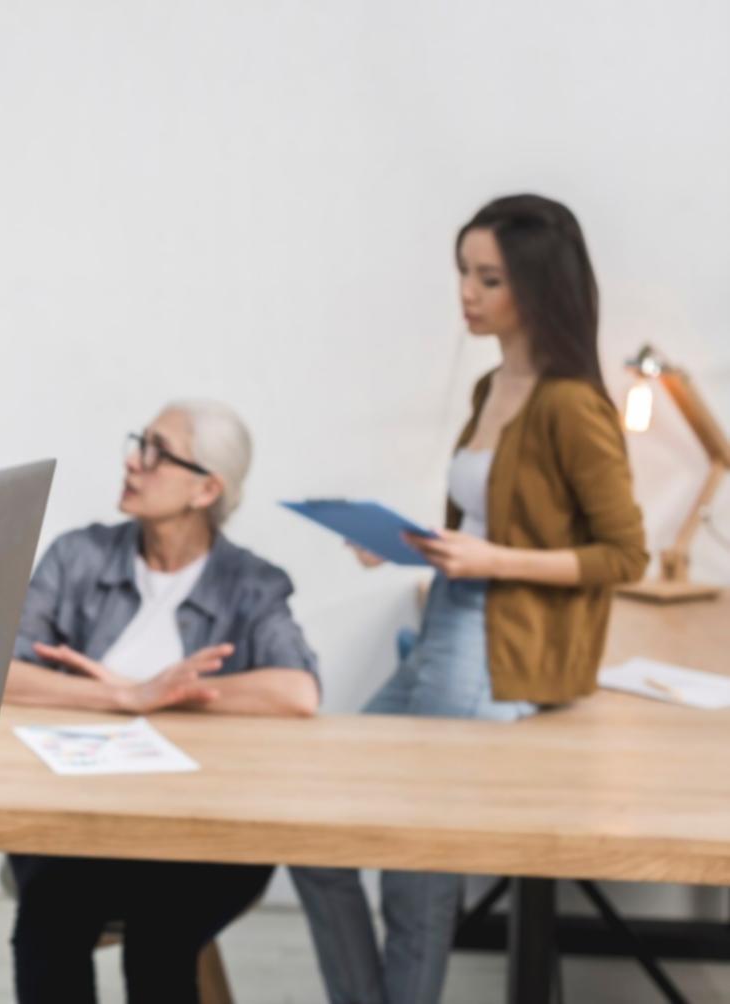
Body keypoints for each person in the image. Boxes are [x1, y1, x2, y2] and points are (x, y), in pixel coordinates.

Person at [290, 194, 649, 1004]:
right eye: (463, 271)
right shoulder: (493, 386)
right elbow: (488, 521)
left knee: (415, 859)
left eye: (489, 278)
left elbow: (623, 555)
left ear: (536, 286)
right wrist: (409, 545)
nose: (467, 292)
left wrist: (492, 558)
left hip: (497, 646)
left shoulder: (572, 405)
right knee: (313, 824)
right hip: (450, 619)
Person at [3, 400, 320, 1004]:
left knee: (162, 934)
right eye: (137, 443)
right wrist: (123, 694)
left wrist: (165, 698)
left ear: (207, 489)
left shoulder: (251, 583)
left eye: (156, 452)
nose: (133, 462)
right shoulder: (78, 557)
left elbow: (297, 690)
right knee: (47, 924)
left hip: (204, 831)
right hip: (79, 825)